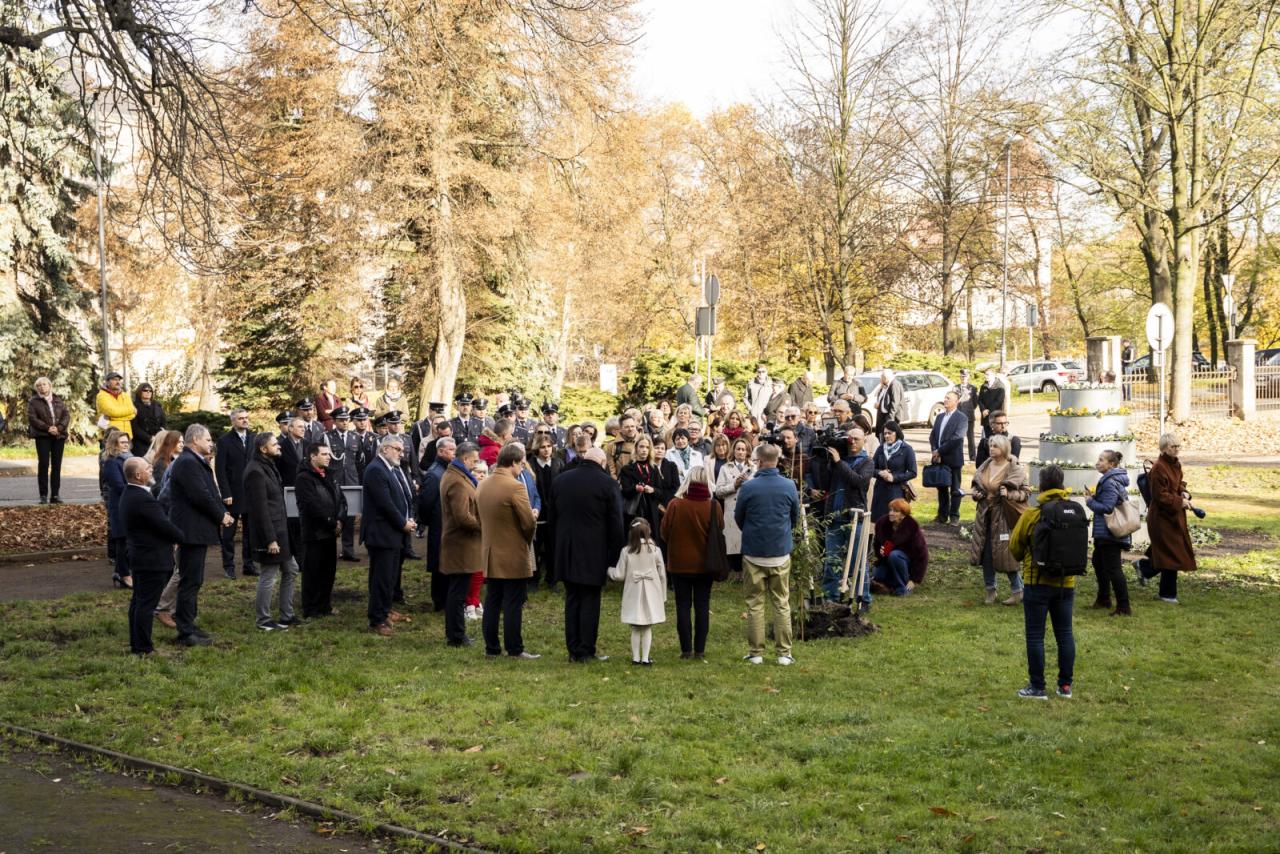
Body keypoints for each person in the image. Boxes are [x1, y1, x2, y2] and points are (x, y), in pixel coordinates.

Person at [1008, 464, 1078, 700]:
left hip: (1036, 582)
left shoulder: (1032, 514)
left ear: (1041, 485)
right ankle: (1065, 685)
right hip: (1066, 582)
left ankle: (1037, 686)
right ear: (1062, 484)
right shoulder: (1074, 511)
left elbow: (1015, 548)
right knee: (1065, 634)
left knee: (1036, 635)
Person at [166, 424, 234, 646]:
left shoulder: (194, 461)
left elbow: (209, 492)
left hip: (196, 530)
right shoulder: (187, 463)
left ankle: (189, 624)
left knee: (194, 580)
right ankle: (185, 632)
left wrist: (221, 512)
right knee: (190, 580)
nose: (210, 443)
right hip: (190, 531)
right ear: (194, 440)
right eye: (207, 439)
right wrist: (220, 516)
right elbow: (200, 496)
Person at [554, 447, 624, 663]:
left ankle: (573, 649)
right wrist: (615, 556)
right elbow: (616, 524)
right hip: (594, 551)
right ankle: (586, 650)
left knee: (572, 599)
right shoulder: (607, 483)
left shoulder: (560, 480)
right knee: (590, 601)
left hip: (565, 549)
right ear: (602, 462)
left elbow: (553, 517)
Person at [736, 442, 801, 665]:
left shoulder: (749, 487)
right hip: (780, 550)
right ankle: (784, 653)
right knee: (781, 602)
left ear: (761, 462)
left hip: (754, 551)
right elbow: (795, 517)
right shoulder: (789, 485)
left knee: (755, 604)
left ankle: (756, 653)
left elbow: (739, 517)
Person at [477, 443, 540, 659]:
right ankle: (515, 649)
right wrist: (530, 526)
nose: (522, 468)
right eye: (521, 464)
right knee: (513, 603)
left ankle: (491, 648)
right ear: (513, 462)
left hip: (490, 551)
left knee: (493, 601)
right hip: (513, 552)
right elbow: (528, 522)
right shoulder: (515, 487)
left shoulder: (483, 484)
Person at [121, 456, 185, 655]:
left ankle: (137, 644)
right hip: (151, 559)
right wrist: (180, 536)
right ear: (138, 475)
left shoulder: (129, 494)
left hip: (141, 556)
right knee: (146, 604)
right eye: (148, 468)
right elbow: (163, 525)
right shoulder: (142, 499)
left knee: (139, 602)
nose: (151, 471)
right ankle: (143, 648)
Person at [660, 465, 721, 660]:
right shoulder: (713, 506)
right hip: (705, 564)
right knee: (702, 605)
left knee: (682, 605)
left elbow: (664, 532)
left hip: (679, 563)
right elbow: (719, 528)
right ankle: (700, 650)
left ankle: (686, 650)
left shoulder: (675, 505)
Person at [242, 433, 298, 631]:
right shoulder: (255, 471)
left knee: (291, 569)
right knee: (269, 575)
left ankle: (286, 615)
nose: (279, 446)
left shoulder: (268, 465)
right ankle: (263, 620)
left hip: (280, 532)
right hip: (270, 535)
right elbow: (260, 509)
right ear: (263, 449)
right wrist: (270, 540)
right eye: (274, 444)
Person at [361, 435, 417, 636]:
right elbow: (385, 503)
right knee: (381, 578)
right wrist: (403, 523)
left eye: (402, 451)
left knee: (390, 576)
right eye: (397, 449)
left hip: (392, 532)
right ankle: (377, 619)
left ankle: (385, 610)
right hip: (382, 533)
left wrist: (407, 519)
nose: (401, 454)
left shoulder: (389, 468)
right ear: (384, 449)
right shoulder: (376, 469)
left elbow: (400, 497)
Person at [968, 434, 1028, 605]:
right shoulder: (985, 466)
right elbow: (976, 485)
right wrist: (976, 494)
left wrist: (1009, 494)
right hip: (984, 516)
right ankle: (990, 590)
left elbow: (1025, 493)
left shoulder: (1014, 469)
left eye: (995, 446)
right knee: (985, 554)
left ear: (1004, 449)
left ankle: (1018, 591)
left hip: (1003, 517)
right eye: (990, 445)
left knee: (1006, 555)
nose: (991, 449)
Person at [819, 427, 874, 610]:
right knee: (831, 560)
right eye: (850, 438)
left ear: (864, 441)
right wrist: (828, 461)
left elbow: (858, 481)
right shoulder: (837, 460)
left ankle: (863, 598)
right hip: (834, 518)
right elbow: (825, 482)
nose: (852, 442)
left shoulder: (867, 462)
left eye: (857, 439)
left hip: (855, 518)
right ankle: (830, 597)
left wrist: (839, 462)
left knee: (859, 561)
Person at [1143, 433, 1198, 604]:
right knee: (1172, 554)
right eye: (1173, 447)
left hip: (1173, 515)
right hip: (1161, 517)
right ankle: (1167, 593)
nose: (1177, 450)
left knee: (1171, 552)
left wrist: (1183, 491)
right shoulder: (1159, 468)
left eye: (1178, 446)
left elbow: (1178, 483)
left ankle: (1145, 569)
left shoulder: (1175, 464)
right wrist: (1179, 501)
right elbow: (1159, 496)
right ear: (1164, 448)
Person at [295, 442, 346, 618]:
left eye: (329, 454)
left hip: (331, 533)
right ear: (313, 456)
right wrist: (332, 523)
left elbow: (341, 500)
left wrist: (340, 519)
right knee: (312, 573)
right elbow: (311, 506)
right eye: (324, 454)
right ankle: (311, 609)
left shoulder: (331, 475)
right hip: (314, 533)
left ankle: (325, 606)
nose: (328, 457)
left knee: (328, 572)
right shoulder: (304, 478)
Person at [609, 518, 667, 666]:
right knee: (647, 626)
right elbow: (662, 575)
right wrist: (663, 595)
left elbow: (619, 575)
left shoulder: (626, 551)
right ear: (648, 531)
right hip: (652, 593)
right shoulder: (655, 550)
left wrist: (609, 570)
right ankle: (645, 658)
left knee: (635, 627)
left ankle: (635, 658)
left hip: (633, 593)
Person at [440, 441, 482, 644]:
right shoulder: (457, 481)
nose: (476, 464)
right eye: (474, 460)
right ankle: (456, 636)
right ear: (464, 459)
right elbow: (462, 517)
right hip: (460, 544)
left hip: (460, 544)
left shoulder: (457, 475)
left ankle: (456, 633)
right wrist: (484, 526)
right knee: (458, 593)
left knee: (457, 591)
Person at [1085, 450, 1132, 615]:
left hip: (1109, 533)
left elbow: (1107, 508)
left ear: (1111, 464)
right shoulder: (1110, 480)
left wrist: (1090, 502)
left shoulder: (1109, 482)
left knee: (1114, 569)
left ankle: (1124, 607)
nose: (1097, 462)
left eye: (1101, 460)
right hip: (1104, 533)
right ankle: (1104, 598)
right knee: (1098, 562)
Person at [215, 408, 257, 579]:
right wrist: (226, 493)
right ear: (233, 421)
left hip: (251, 492)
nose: (245, 421)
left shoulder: (254, 438)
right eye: (241, 418)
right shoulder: (224, 441)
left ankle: (249, 564)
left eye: (246, 418)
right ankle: (229, 566)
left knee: (250, 532)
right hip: (232, 493)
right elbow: (220, 470)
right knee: (229, 533)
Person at [870, 499, 929, 596]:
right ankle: (891, 585)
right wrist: (880, 552)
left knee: (895, 555)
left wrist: (914, 580)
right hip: (886, 560)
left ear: (903, 514)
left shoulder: (912, 527)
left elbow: (922, 555)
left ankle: (903, 588)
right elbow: (877, 544)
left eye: (895, 511)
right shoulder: (882, 523)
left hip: (906, 562)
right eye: (890, 510)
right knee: (878, 576)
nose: (891, 513)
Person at [325, 407, 362, 561]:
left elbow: (359, 461)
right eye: (341, 420)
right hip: (334, 482)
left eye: (346, 420)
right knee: (332, 516)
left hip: (351, 481)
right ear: (334, 421)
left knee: (350, 516)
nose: (345, 423)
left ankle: (348, 550)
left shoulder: (355, 437)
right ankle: (329, 550)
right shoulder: (327, 437)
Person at [715, 437, 755, 578]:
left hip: (749, 510)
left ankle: (748, 571)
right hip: (731, 509)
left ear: (747, 451)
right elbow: (718, 491)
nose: (740, 452)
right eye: (738, 449)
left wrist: (747, 483)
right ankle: (735, 572)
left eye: (743, 449)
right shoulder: (725, 468)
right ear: (734, 450)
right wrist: (734, 485)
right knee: (732, 541)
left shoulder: (754, 468)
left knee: (748, 539)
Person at [28, 377, 70, 504]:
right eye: (39, 385)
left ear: (50, 386)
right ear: (37, 388)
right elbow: (32, 418)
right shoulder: (33, 401)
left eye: (44, 384)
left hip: (58, 436)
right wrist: (48, 428)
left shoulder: (58, 399)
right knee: (44, 464)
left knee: (56, 466)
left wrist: (59, 428)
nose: (42, 387)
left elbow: (66, 415)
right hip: (43, 436)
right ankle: (43, 495)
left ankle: (55, 495)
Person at [928, 391, 967, 526]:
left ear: (956, 401)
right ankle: (942, 515)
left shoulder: (961, 418)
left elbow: (956, 439)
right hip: (939, 459)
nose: (945, 400)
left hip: (953, 459)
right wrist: (934, 450)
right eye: (945, 397)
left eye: (948, 398)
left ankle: (954, 516)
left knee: (955, 489)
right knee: (942, 488)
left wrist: (940, 451)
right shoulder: (939, 417)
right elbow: (933, 436)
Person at [102, 429, 134, 589]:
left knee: (128, 540)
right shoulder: (111, 462)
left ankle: (119, 572)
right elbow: (119, 485)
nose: (125, 445)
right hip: (119, 506)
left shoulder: (130, 459)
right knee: (123, 541)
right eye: (122, 442)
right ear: (114, 444)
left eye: (127, 442)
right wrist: (138, 490)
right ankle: (125, 575)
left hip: (130, 504)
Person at [529, 435, 562, 591]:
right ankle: (533, 579)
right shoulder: (531, 465)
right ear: (537, 448)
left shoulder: (558, 463)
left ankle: (552, 579)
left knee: (553, 547)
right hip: (537, 512)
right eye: (543, 447)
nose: (546, 449)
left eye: (549, 446)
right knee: (535, 547)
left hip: (554, 512)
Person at [619, 434, 665, 542]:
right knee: (634, 542)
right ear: (636, 448)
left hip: (652, 512)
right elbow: (625, 492)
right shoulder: (627, 469)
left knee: (652, 542)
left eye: (647, 447)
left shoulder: (654, 469)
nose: (644, 450)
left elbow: (661, 493)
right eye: (641, 447)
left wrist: (653, 490)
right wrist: (635, 488)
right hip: (634, 511)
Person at [869, 421, 917, 522]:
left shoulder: (907, 449)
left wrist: (893, 477)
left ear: (897, 433)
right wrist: (880, 473)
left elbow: (913, 472)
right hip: (880, 492)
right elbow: (871, 469)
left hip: (897, 492)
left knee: (896, 522)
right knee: (880, 523)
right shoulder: (881, 449)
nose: (886, 436)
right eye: (885, 433)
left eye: (889, 433)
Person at [95, 371, 137, 439]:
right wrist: (132, 409)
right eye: (114, 379)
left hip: (126, 437)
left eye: (119, 380)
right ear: (107, 382)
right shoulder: (101, 396)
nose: (118, 382)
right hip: (110, 437)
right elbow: (112, 412)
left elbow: (133, 415)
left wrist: (113, 418)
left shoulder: (125, 395)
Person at [130, 383, 166, 458]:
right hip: (141, 443)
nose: (148, 392)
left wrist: (160, 435)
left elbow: (163, 422)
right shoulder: (133, 406)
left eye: (150, 391)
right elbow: (135, 427)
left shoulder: (157, 405)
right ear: (140, 391)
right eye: (145, 390)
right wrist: (149, 438)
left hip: (157, 441)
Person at [870, 369, 905, 436]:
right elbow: (883, 398)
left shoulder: (894, 385)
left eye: (882, 377)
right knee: (881, 434)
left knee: (890, 435)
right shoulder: (885, 385)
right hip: (883, 415)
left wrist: (890, 418)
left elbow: (895, 403)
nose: (881, 379)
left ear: (886, 378)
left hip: (890, 416)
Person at [955, 369, 979, 461]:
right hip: (959, 417)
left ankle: (972, 457)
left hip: (969, 416)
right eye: (961, 376)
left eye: (965, 377)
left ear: (968, 377)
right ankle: (958, 456)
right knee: (958, 438)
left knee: (971, 438)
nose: (963, 378)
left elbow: (975, 402)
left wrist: (969, 409)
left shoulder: (973, 388)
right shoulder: (955, 388)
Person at [607, 414, 639, 479]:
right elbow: (611, 470)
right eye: (627, 427)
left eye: (632, 426)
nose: (630, 429)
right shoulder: (612, 446)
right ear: (621, 429)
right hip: (622, 484)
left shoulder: (645, 442)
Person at [978, 370, 1005, 436]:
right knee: (987, 437)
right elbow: (980, 399)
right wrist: (983, 410)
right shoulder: (983, 386)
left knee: (996, 437)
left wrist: (988, 411)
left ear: (993, 375)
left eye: (988, 374)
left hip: (995, 415)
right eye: (985, 374)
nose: (986, 376)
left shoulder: (1000, 386)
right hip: (985, 417)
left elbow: (998, 401)